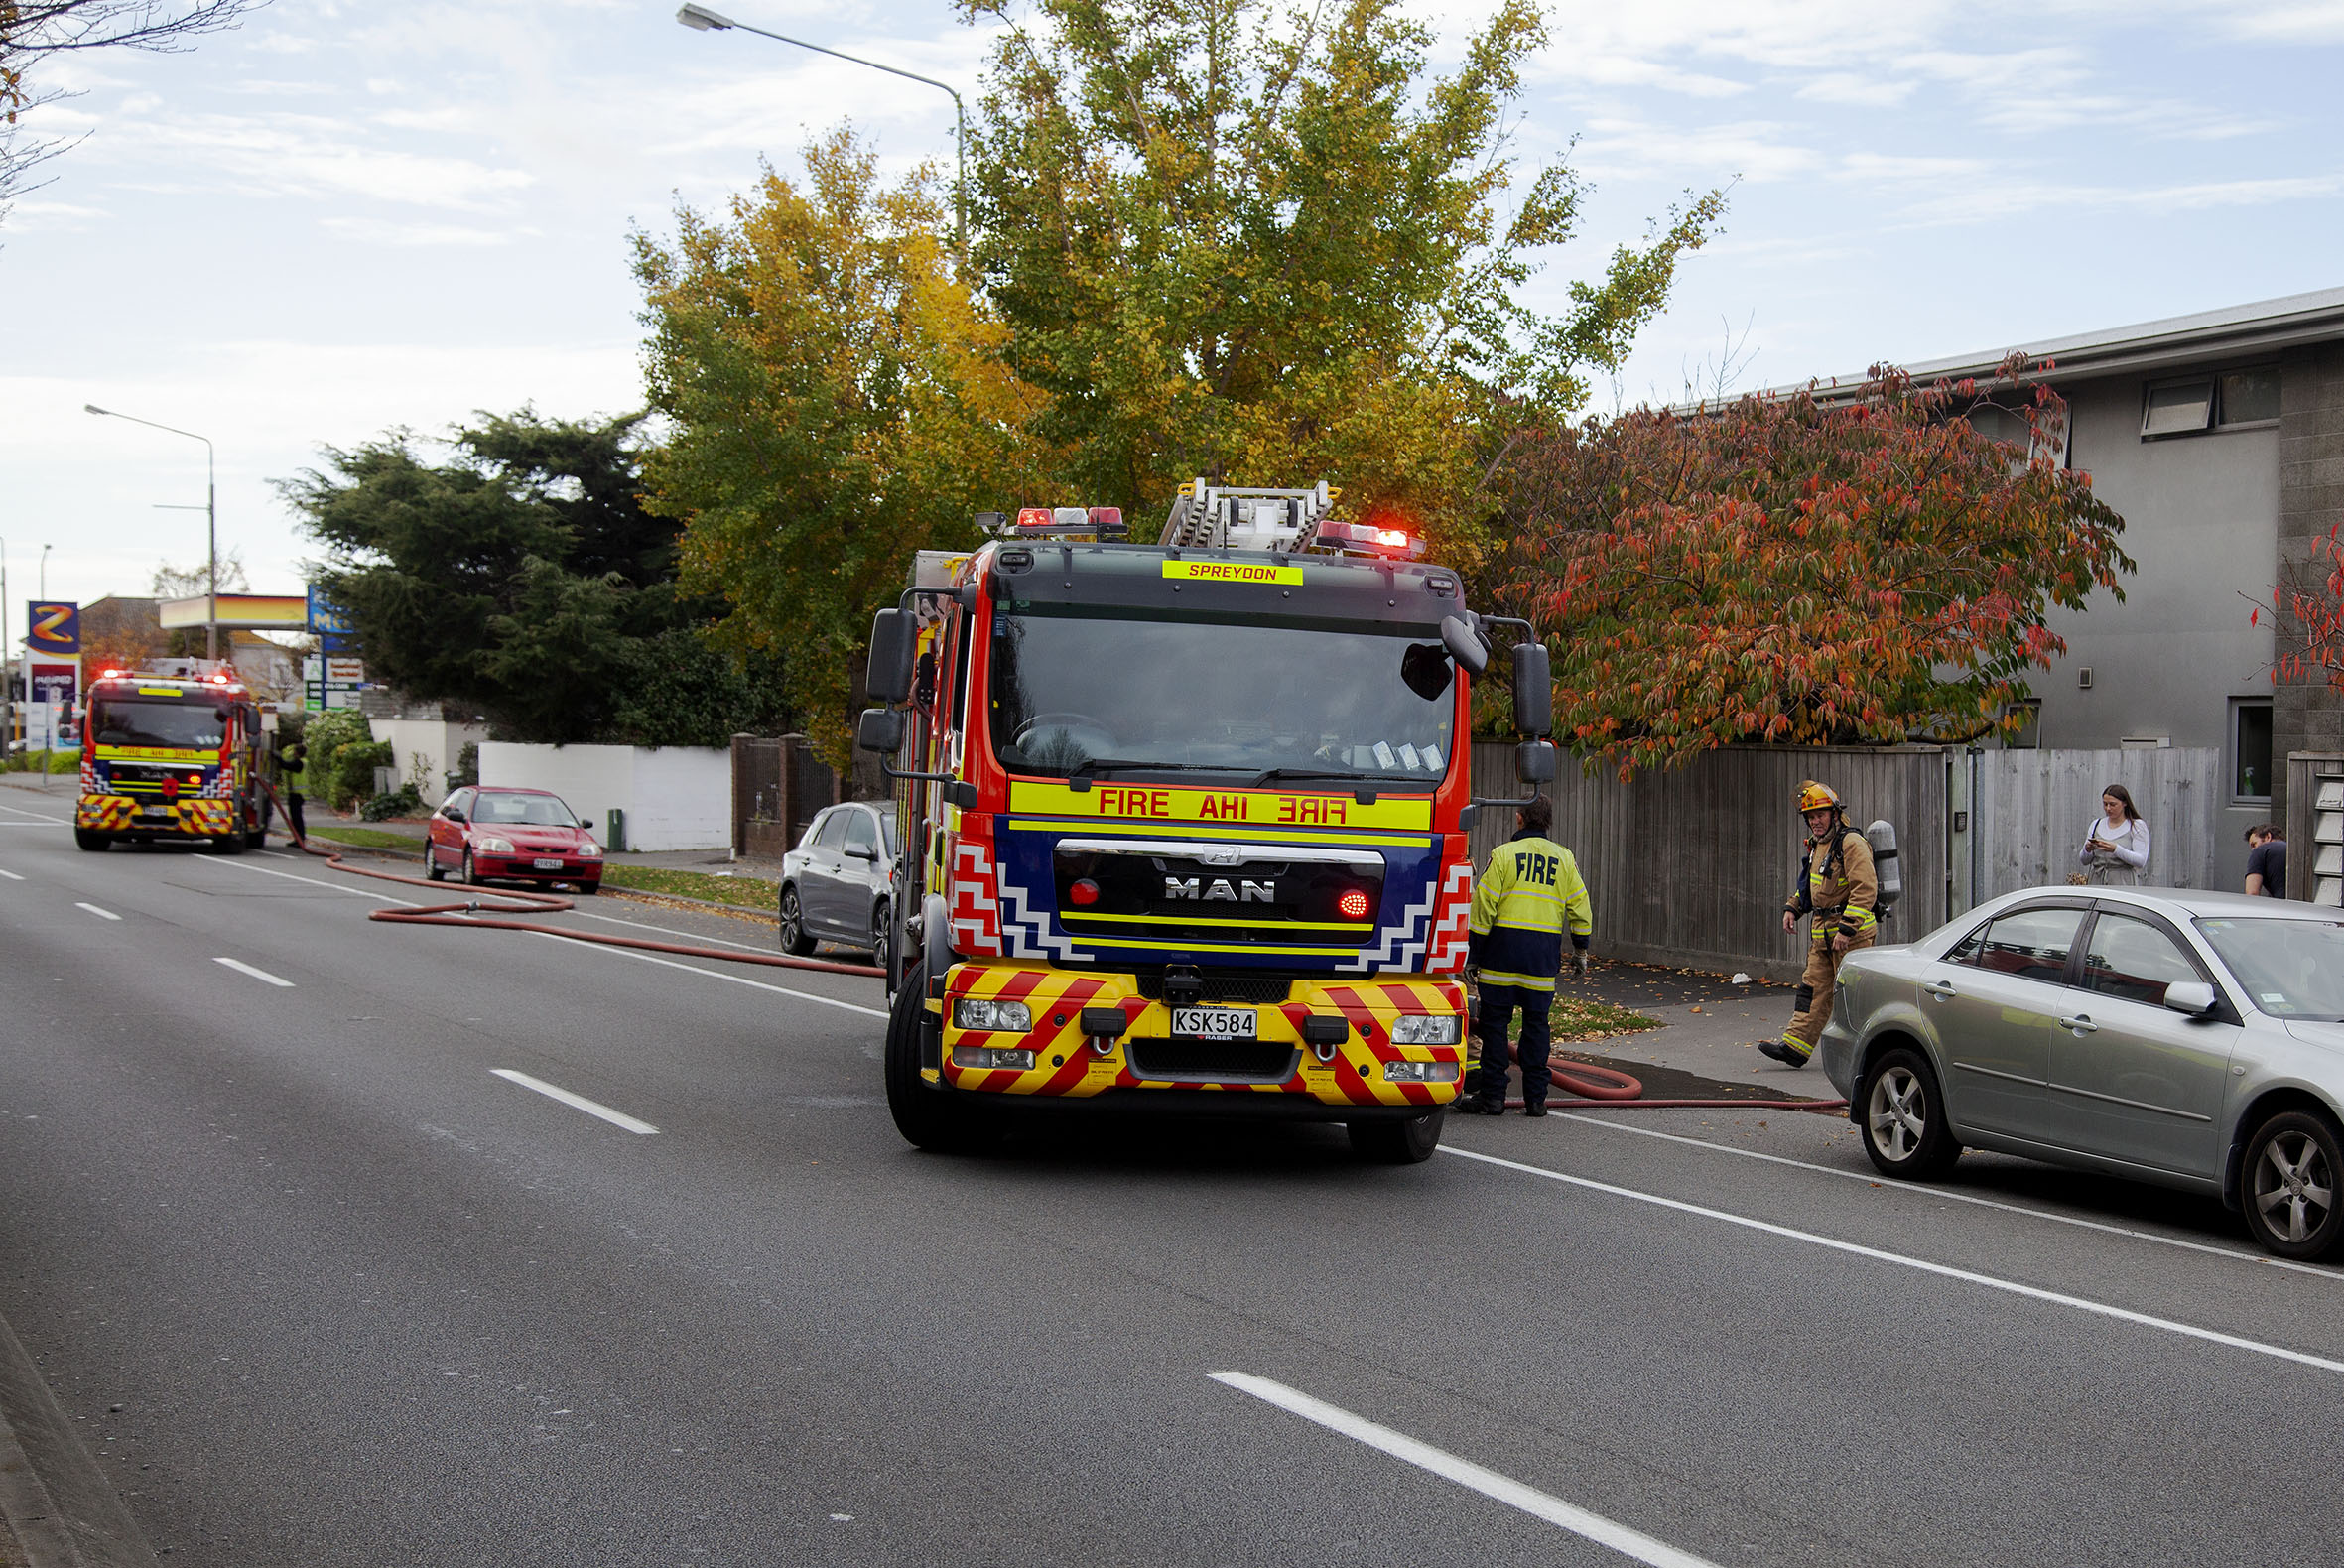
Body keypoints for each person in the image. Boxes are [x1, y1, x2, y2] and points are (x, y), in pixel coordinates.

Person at [1456, 794, 1593, 1117]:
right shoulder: (1564, 858)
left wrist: (1473, 955)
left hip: (1501, 958)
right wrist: (1581, 950)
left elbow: (1483, 906)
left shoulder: (1502, 855)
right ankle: (1535, 1100)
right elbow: (1580, 906)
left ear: (1519, 818)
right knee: (1536, 1027)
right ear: (1547, 822)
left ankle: (1492, 1099)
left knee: (1494, 1029)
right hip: (1541, 960)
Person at [1760, 781, 1878, 1069]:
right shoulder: (1819, 846)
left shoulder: (1851, 843)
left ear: (1834, 815)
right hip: (1822, 935)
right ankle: (1795, 1047)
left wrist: (1847, 928)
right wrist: (1793, 907)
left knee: (1852, 998)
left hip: (1851, 936)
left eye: (1820, 815)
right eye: (1811, 817)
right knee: (1812, 991)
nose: (1815, 821)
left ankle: (1867, 1057)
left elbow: (1865, 888)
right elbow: (1812, 888)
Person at [2078, 784, 2150, 885]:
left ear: (2124, 803)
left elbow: (2140, 861)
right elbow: (2084, 861)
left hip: (2123, 884)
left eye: (2112, 804)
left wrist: (2115, 849)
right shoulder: (2096, 824)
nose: (2108, 808)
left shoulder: (2136, 826)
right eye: (2105, 804)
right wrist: (2088, 849)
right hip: (2097, 882)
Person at [276, 736, 308, 842]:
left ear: (297, 753)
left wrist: (278, 757)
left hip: (297, 794)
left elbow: (286, 765)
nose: (293, 753)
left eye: (294, 751)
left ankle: (299, 839)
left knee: (296, 819)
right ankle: (298, 839)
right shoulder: (302, 762)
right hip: (297, 794)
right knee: (295, 818)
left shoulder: (299, 763)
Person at [2246, 823, 2288, 899]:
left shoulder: (2259, 851)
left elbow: (2252, 893)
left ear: (2267, 836)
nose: (2253, 850)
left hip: (2281, 907)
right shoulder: (2295, 852)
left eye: (2254, 844)